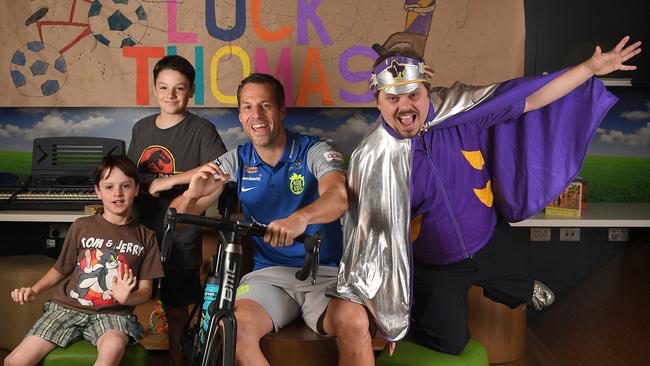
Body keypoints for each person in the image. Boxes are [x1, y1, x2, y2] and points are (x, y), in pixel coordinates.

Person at [335, 36, 642, 355]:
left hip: (487, 237)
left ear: (427, 89)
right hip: (436, 264)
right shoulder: (373, 156)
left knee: (512, 278)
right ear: (377, 100)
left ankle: (522, 289)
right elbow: (369, 238)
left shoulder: (461, 108)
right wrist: (385, 316)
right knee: (447, 343)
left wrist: (590, 68)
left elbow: (533, 98)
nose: (406, 106)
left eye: (414, 94)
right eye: (393, 98)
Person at [163, 73, 374, 365]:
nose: (256, 115)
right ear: (240, 115)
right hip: (268, 278)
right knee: (233, 329)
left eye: (265, 105)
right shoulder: (237, 159)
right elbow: (181, 220)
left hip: (324, 274)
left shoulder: (315, 150)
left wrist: (300, 218)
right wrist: (190, 196)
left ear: (281, 110)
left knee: (356, 323)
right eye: (248, 107)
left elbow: (339, 196)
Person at [4, 155, 164, 366]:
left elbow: (145, 290)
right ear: (98, 191)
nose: (117, 193)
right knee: (14, 361)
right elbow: (61, 269)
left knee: (114, 347)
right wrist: (34, 290)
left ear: (136, 189)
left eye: (125, 185)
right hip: (67, 308)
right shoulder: (81, 226)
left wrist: (128, 298)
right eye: (109, 187)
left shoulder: (147, 236)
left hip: (114, 315)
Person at [127, 55, 226, 365]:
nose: (170, 95)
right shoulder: (141, 128)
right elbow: (131, 175)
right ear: (155, 89)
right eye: (163, 87)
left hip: (179, 231)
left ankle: (176, 355)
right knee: (132, 290)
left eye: (179, 88)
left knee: (175, 301)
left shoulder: (200, 129)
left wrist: (168, 182)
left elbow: (221, 170)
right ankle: (122, 345)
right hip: (141, 228)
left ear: (191, 90)